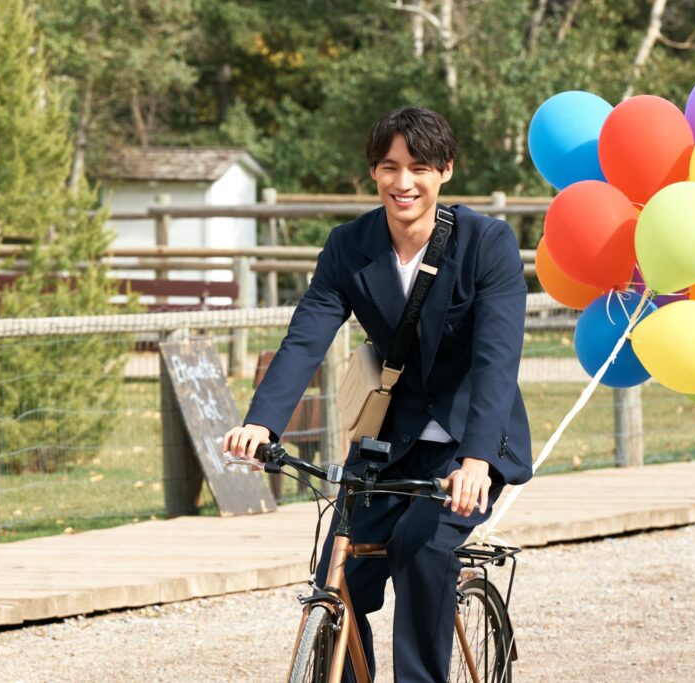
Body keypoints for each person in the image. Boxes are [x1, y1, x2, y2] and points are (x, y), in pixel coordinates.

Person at [223, 107, 532, 681]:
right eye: (389, 167)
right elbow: (307, 335)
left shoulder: (485, 244)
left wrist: (476, 461)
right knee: (338, 574)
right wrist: (262, 422)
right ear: (373, 172)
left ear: (445, 170)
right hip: (389, 443)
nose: (403, 182)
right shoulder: (350, 246)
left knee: (421, 545)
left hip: (469, 443)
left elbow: (497, 360)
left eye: (418, 168)